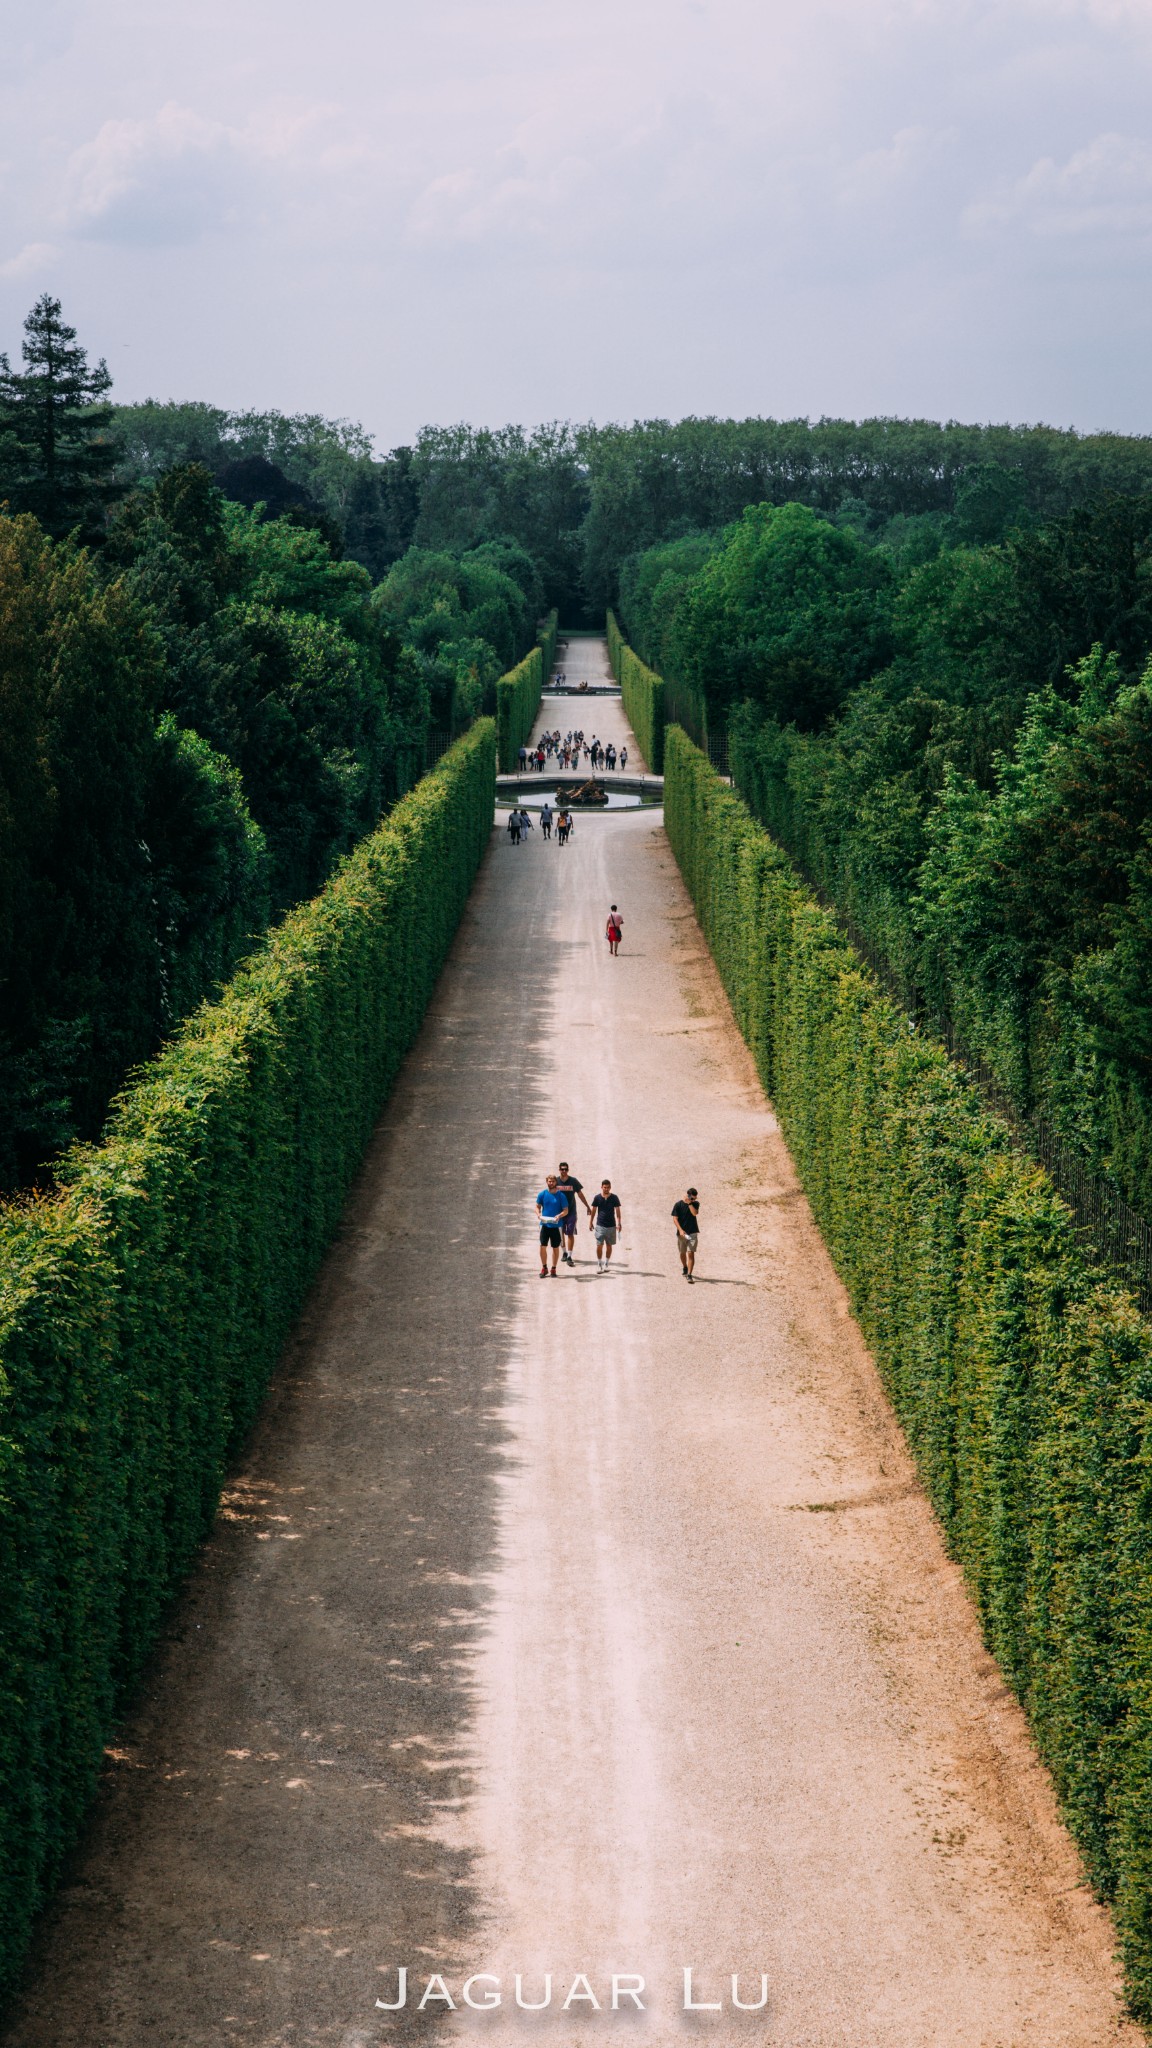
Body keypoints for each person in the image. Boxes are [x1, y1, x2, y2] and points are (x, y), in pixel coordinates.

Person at [557, 1160, 592, 1265]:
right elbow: (550, 1195)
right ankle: (564, 1252)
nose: (564, 1171)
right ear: (559, 1170)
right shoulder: (556, 1181)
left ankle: (569, 1256)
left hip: (571, 1212)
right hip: (559, 1213)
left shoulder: (573, 1181)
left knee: (570, 1234)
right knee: (560, 1233)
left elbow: (580, 1194)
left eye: (565, 1169)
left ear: (568, 1170)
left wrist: (587, 1206)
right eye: (562, 1169)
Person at [537, 1174, 569, 1277]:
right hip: (545, 1225)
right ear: (547, 1182)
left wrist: (559, 1216)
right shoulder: (542, 1194)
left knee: (555, 1247)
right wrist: (539, 1215)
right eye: (549, 1181)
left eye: (553, 1181)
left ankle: (553, 1268)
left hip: (556, 1226)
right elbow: (537, 1207)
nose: (551, 1183)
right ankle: (544, 1267)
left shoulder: (561, 1196)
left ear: (556, 1182)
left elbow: (566, 1210)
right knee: (542, 1246)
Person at [590, 1180, 622, 1269]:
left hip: (611, 1225)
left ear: (610, 1187)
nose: (606, 1189)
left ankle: (606, 1263)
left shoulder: (614, 1198)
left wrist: (619, 1223)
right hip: (600, 1225)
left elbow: (618, 1211)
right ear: (601, 1187)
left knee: (609, 1245)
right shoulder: (597, 1197)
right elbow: (593, 1210)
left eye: (608, 1187)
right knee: (599, 1245)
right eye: (604, 1187)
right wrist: (590, 1222)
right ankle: (599, 1263)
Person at [672, 1187, 700, 1282]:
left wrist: (690, 1203)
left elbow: (694, 1213)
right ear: (687, 1195)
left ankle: (689, 1274)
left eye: (695, 1198)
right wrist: (680, 1230)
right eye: (692, 1198)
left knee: (691, 1253)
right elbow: (675, 1219)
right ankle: (685, 1267)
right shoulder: (678, 1205)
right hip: (681, 1234)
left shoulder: (695, 1204)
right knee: (682, 1253)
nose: (694, 1200)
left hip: (692, 1232)